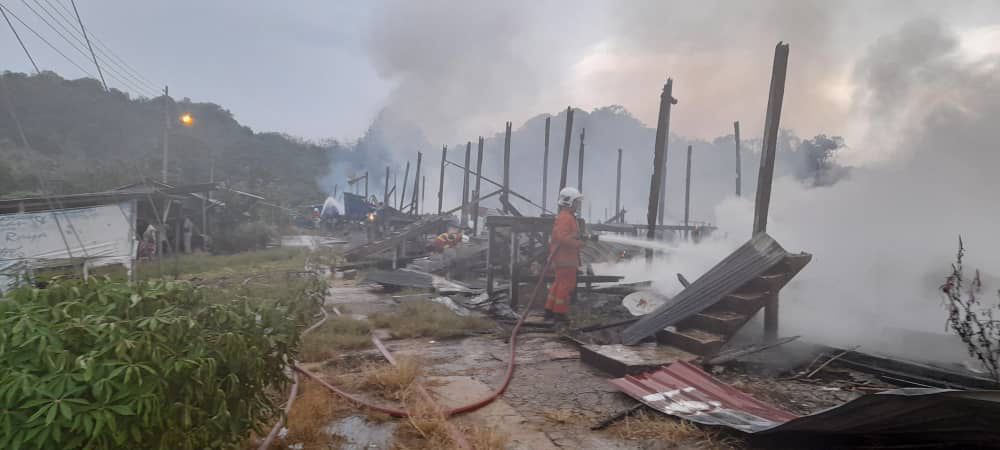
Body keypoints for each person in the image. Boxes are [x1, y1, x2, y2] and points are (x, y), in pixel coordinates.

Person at [544, 187, 593, 323]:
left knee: (559, 283)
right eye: (576, 202)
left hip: (563, 258)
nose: (578, 205)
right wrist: (579, 244)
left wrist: (580, 237)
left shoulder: (567, 217)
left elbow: (567, 235)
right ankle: (560, 314)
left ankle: (549, 310)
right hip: (566, 258)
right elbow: (562, 238)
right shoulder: (566, 217)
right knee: (566, 285)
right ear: (569, 201)